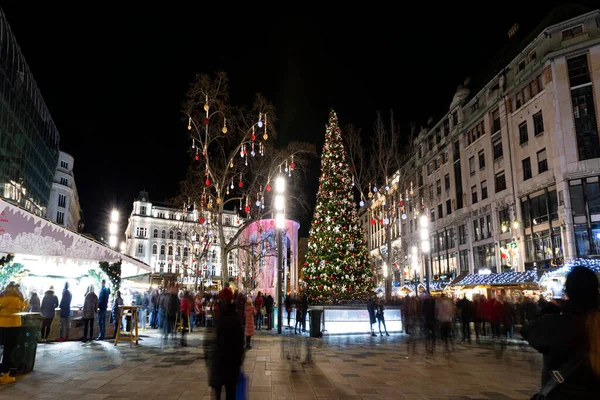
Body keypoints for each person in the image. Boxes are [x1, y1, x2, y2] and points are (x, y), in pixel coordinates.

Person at [521, 266, 600, 398]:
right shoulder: (594, 322)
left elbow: (527, 330)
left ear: (567, 292)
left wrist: (550, 310)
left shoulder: (555, 324)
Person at [207, 290, 244, 399]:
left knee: (219, 393)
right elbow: (240, 343)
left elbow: (212, 340)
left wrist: (210, 360)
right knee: (230, 393)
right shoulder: (235, 316)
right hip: (231, 364)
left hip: (220, 363)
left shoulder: (219, 316)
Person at [0, 282, 25, 385]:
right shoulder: (17, 299)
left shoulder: (1, 297)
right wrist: (22, 295)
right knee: (8, 350)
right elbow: (23, 306)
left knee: (2, 349)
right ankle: (5, 375)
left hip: (1, 326)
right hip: (13, 327)